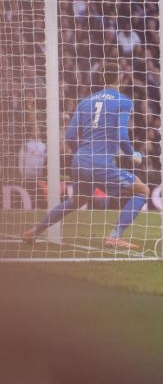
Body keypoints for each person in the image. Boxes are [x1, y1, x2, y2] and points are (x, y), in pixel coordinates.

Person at [22, 63, 149, 250]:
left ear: (99, 79)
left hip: (79, 161)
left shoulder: (85, 102)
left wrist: (82, 156)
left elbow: (70, 137)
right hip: (100, 163)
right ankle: (115, 236)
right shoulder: (123, 101)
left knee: (77, 200)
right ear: (120, 78)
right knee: (141, 190)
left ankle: (34, 231)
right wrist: (132, 154)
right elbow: (122, 135)